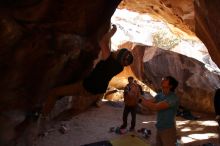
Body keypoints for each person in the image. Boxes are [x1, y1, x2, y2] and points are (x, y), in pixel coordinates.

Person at [41, 24, 134, 118]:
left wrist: (112, 32)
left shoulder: (109, 60)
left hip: (87, 87)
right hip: (97, 90)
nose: (117, 49)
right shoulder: (119, 67)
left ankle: (43, 116)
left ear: (118, 56)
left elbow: (103, 42)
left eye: (119, 51)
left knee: (54, 92)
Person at [139, 76, 179, 146]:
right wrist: (138, 95)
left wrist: (139, 100)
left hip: (168, 129)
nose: (162, 79)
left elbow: (155, 107)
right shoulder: (160, 95)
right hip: (159, 127)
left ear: (170, 86)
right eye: (163, 78)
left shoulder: (173, 98)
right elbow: (148, 102)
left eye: (166, 80)